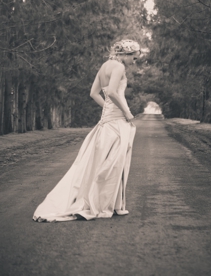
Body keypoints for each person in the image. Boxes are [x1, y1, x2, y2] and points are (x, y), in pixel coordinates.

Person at [33, 39, 140, 222]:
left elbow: (94, 93)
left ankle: (107, 203)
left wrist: (107, 108)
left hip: (107, 119)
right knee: (114, 163)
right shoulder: (119, 67)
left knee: (102, 162)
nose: (134, 62)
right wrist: (127, 112)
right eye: (134, 58)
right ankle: (105, 204)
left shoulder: (104, 66)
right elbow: (113, 93)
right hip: (117, 121)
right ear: (125, 54)